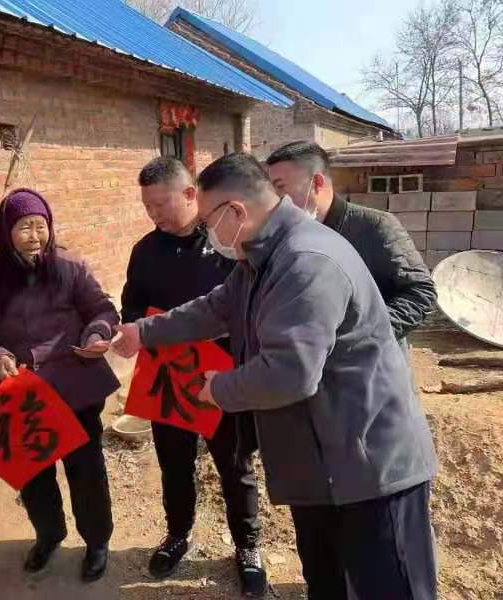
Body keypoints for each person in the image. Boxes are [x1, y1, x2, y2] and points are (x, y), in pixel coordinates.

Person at [112, 153, 439, 600]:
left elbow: (290, 373)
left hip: (369, 468)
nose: (206, 232)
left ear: (235, 212)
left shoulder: (306, 261)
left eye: (208, 221)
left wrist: (219, 388)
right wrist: (143, 332)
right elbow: (215, 308)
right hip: (322, 466)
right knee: (328, 584)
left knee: (387, 589)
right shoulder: (261, 256)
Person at [122, 157, 266, 596]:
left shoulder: (227, 243)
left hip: (221, 378)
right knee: (174, 463)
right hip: (167, 378)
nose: (154, 214)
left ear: (190, 194)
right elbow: (132, 307)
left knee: (234, 465)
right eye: (147, 206)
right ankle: (177, 534)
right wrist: (134, 328)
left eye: (161, 204)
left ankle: (247, 546)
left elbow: (248, 309)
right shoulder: (146, 251)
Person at [0, 188, 119, 582]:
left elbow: (101, 308)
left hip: (73, 386)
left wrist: (96, 332)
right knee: (33, 473)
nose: (34, 236)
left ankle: (97, 541)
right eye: (24, 227)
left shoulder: (69, 265)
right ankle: (49, 534)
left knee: (86, 469)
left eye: (40, 225)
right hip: (22, 390)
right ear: (5, 232)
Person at [266, 141, 437, 348]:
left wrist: (364, 337)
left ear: (317, 182)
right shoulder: (287, 235)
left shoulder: (374, 226)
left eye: (281, 187)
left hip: (372, 361)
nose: (276, 200)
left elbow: (420, 292)